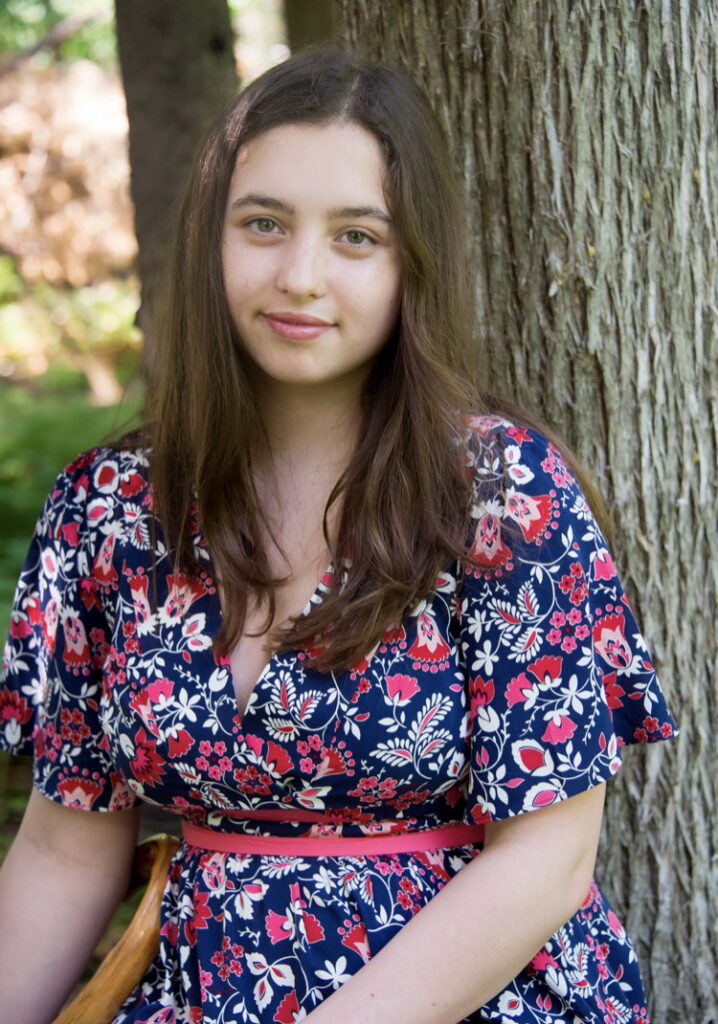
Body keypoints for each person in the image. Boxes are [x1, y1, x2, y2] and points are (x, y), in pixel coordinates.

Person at [0, 48, 675, 1024]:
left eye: (356, 236)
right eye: (263, 224)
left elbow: (547, 861)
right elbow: (66, 851)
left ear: (413, 262)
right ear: (209, 240)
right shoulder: (108, 510)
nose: (300, 276)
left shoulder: (499, 496)